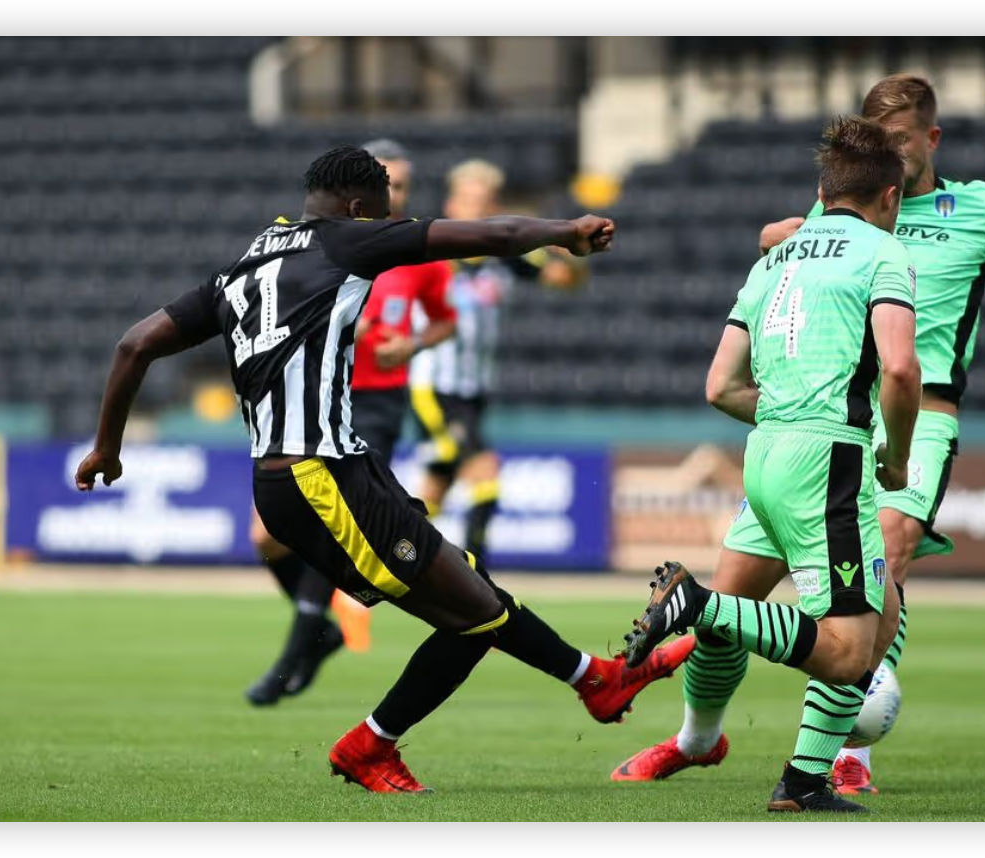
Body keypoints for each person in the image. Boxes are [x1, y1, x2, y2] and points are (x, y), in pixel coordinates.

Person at [616, 73, 985, 798]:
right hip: (825, 419)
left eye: (901, 140)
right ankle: (699, 739)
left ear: (931, 138)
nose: (889, 152)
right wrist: (780, 233)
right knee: (737, 596)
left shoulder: (981, 209)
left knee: (882, 564)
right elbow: (782, 249)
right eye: (877, 141)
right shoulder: (846, 215)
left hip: (918, 418)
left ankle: (840, 761)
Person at [75, 145, 694, 793]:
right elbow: (491, 234)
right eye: (384, 209)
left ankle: (595, 680)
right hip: (320, 480)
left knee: (472, 593)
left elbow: (134, 343)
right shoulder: (347, 240)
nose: (388, 219)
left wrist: (106, 447)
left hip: (324, 471)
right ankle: (373, 744)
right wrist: (564, 233)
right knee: (470, 617)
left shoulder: (244, 266)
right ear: (356, 206)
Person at [618, 115, 920, 813]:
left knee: (880, 610)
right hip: (830, 462)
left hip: (766, 456)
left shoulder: (773, 261)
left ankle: (800, 783)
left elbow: (720, 386)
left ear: (823, 188)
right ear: (890, 198)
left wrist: (787, 414)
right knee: (851, 650)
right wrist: (894, 458)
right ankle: (694, 605)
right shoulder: (883, 252)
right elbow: (901, 370)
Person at [243, 139, 456, 706]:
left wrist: (410, 345)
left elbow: (444, 323)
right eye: (390, 185)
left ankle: (300, 643)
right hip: (309, 402)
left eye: (405, 186)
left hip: (374, 401)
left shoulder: (411, 251)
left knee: (332, 520)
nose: (397, 196)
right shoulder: (323, 246)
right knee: (265, 536)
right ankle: (321, 629)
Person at [410, 159, 588, 565]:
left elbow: (566, 281)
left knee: (437, 484)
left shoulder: (506, 258)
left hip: (474, 389)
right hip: (434, 386)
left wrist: (572, 258)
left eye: (486, 202)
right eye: (471, 201)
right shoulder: (430, 254)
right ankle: (476, 578)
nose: (478, 210)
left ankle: (388, 552)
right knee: (485, 476)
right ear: (452, 206)